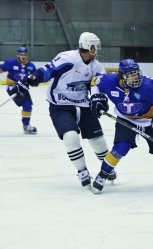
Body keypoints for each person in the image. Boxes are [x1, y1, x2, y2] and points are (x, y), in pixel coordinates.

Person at [10, 32, 115, 189]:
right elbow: (46, 71)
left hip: (83, 105)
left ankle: (107, 167)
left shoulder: (96, 66)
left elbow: (98, 85)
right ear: (89, 47)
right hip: (60, 105)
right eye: (96, 47)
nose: (97, 50)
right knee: (71, 137)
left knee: (98, 141)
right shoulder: (68, 58)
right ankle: (82, 171)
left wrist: (99, 99)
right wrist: (28, 81)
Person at [88, 58, 153, 193]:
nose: (136, 77)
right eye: (131, 75)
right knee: (121, 148)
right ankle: (103, 175)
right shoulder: (110, 82)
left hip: (149, 120)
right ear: (122, 76)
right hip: (125, 119)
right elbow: (94, 81)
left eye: (137, 73)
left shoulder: (148, 86)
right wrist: (95, 97)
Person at [0, 46, 38, 134]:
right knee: (26, 104)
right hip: (12, 87)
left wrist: (34, 80)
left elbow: (33, 76)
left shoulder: (31, 66)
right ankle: (26, 125)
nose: (23, 56)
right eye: (21, 54)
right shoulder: (11, 62)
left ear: (27, 55)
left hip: (23, 88)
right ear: (18, 55)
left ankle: (26, 125)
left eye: (25, 55)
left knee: (28, 105)